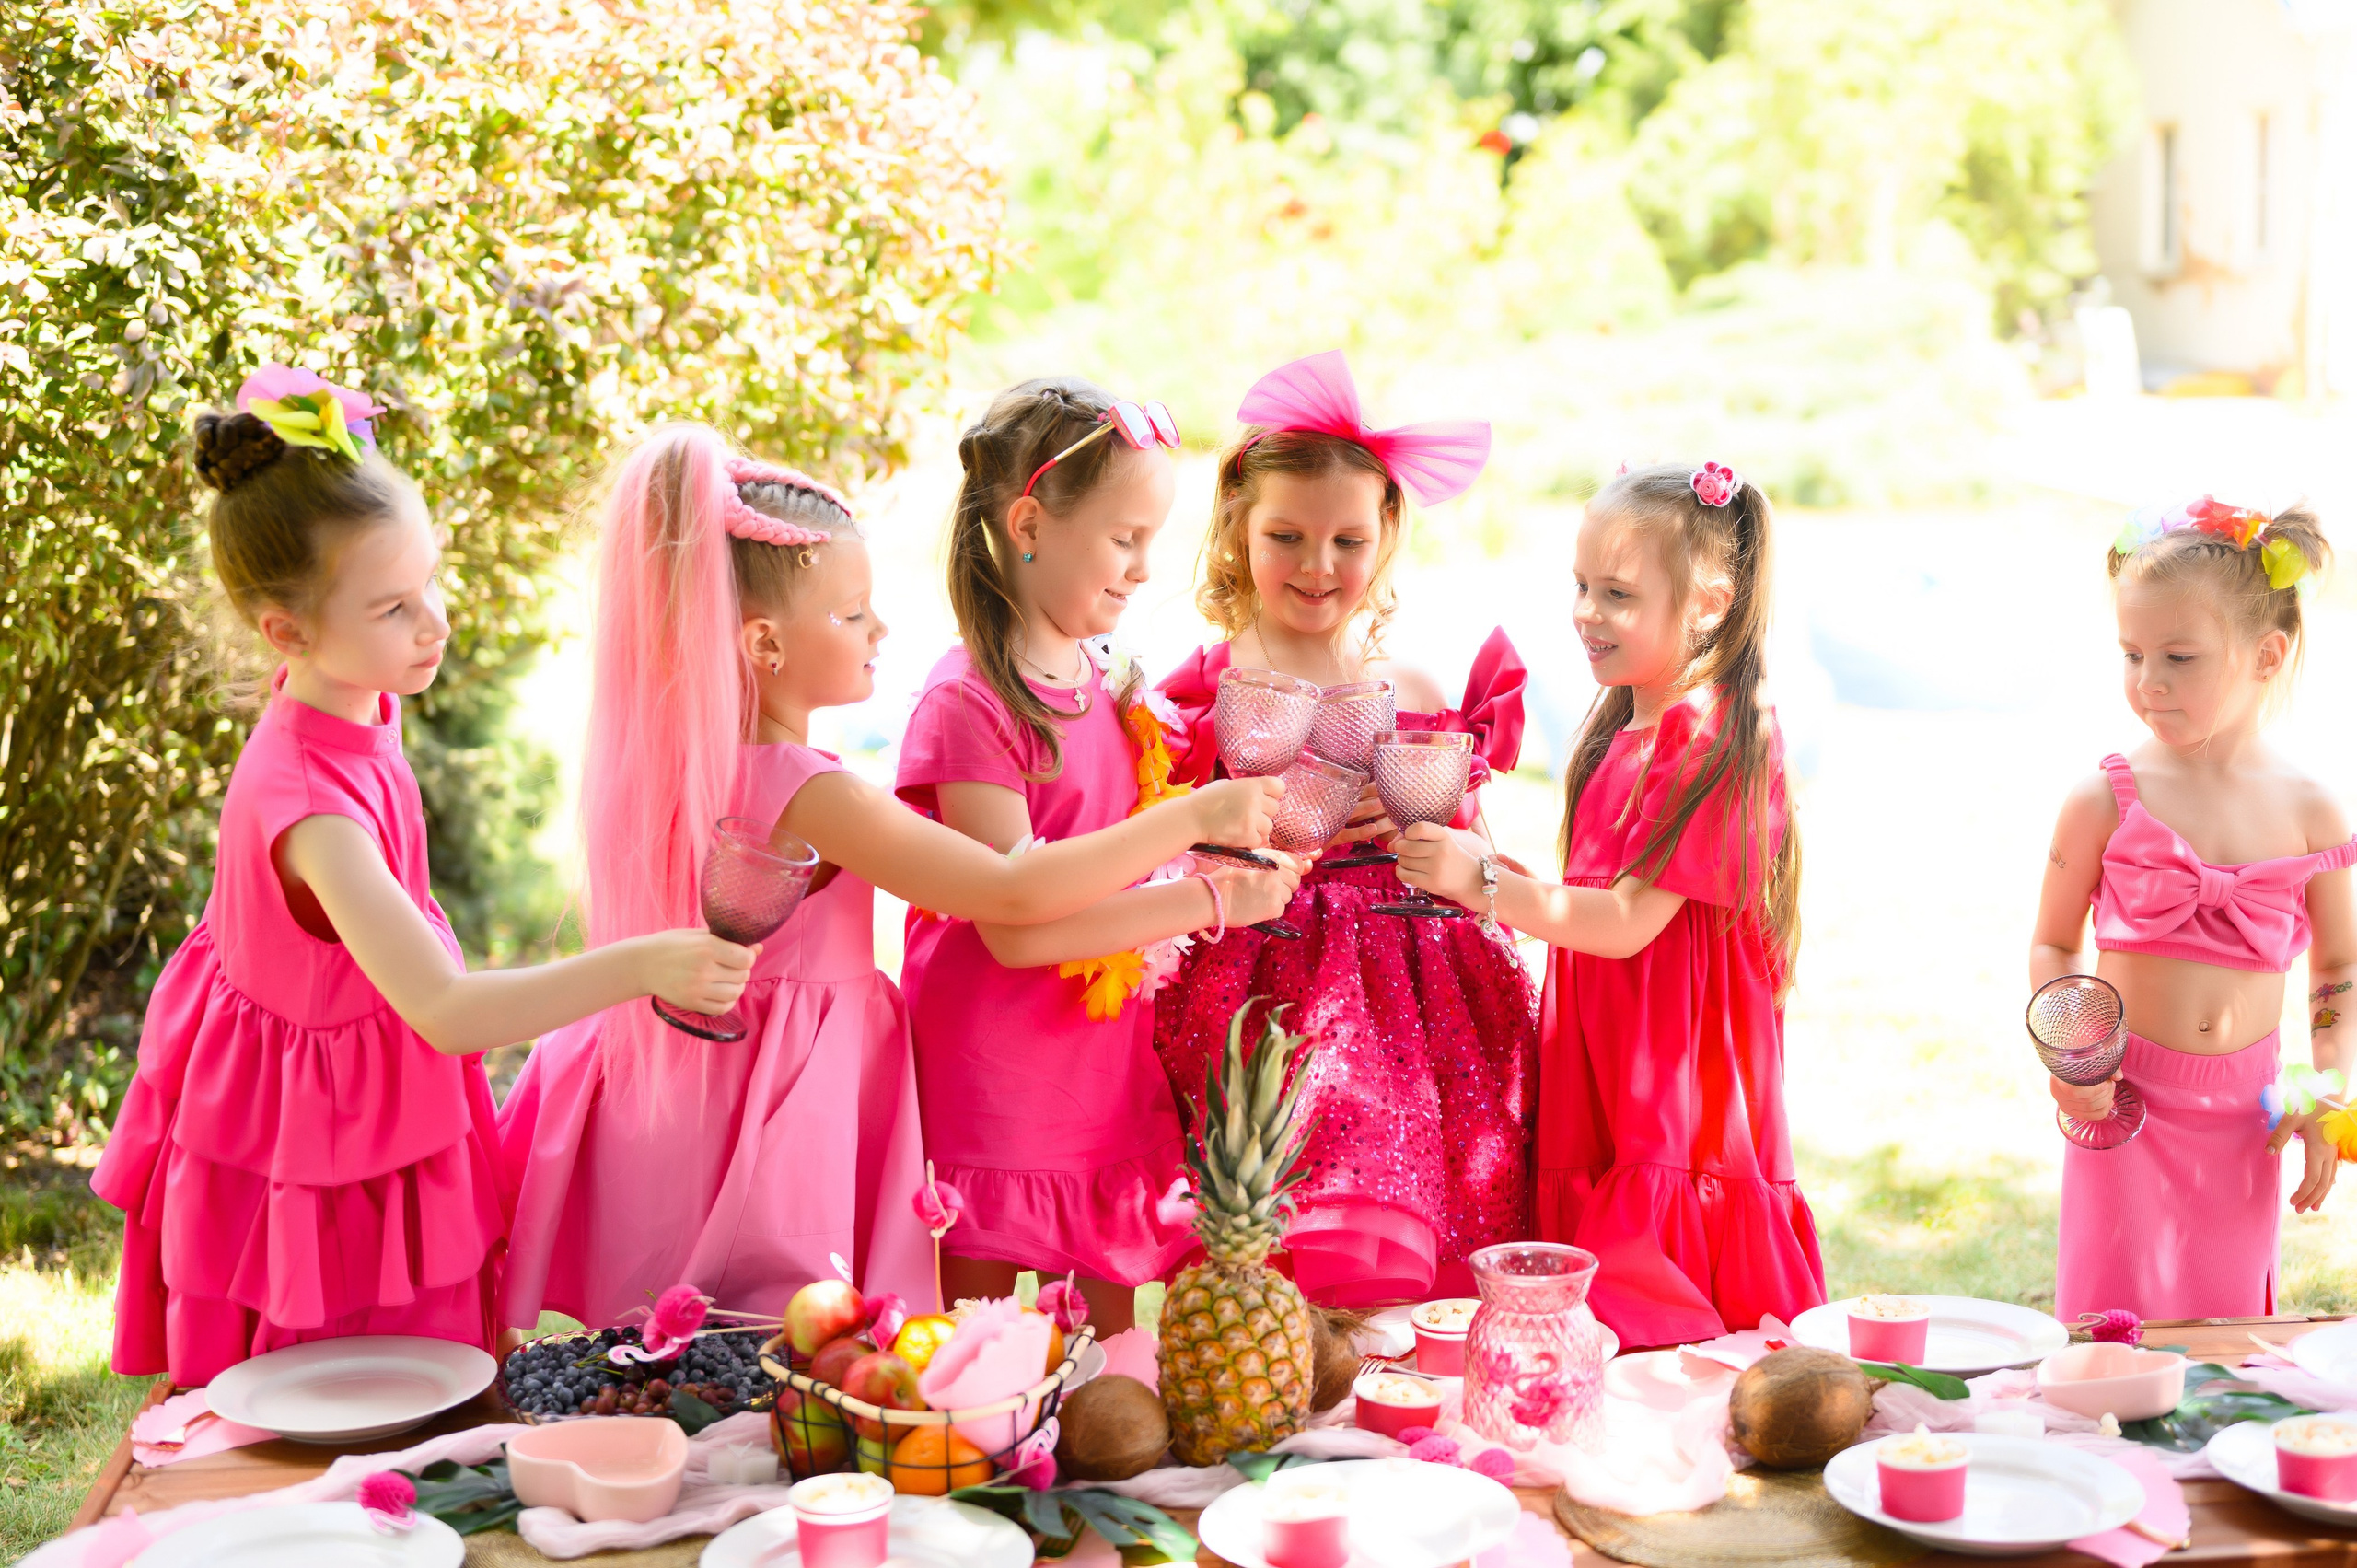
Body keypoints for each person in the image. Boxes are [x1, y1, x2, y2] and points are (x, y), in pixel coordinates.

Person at [498, 424, 1284, 1330]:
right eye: (849, 614)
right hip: (782, 1100)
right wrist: (1190, 828)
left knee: (696, 1337)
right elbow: (1009, 890)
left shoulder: (704, 760)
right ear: (763, 643)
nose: (881, 628)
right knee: (778, 1326)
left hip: (708, 1079)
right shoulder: (811, 789)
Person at [92, 370, 751, 1386]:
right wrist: (647, 962)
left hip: (367, 1076)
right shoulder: (311, 815)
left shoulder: (349, 698)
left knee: (422, 1371)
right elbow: (445, 1008)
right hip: (316, 1142)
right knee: (346, 1386)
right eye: (396, 605)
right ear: (287, 631)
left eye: (430, 581)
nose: (435, 621)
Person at [894, 378, 1304, 1331]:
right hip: (996, 1081)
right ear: (1029, 521)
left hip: (1099, 1066)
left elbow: (1131, 858)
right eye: (1124, 539)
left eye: (1151, 540)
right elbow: (1016, 927)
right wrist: (1203, 893)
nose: (1142, 567)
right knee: (978, 1358)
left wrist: (1229, 855)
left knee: (1112, 1369)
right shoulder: (969, 705)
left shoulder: (1105, 680)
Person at [1395, 460, 1822, 1348]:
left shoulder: (1713, 733)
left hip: (1669, 1062)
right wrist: (1470, 853)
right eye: (1581, 586)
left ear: (1708, 600)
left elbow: (1627, 924)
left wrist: (1482, 882)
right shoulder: (1622, 723)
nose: (1587, 611)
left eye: (1618, 593)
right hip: (1609, 1044)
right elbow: (1586, 893)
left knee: (1656, 1284)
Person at [1152, 350, 1537, 1306]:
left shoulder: (1412, 693)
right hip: (1261, 982)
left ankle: (1389, 1366)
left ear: (1387, 536)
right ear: (1236, 528)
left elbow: (1470, 853)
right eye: (1286, 535)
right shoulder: (1204, 688)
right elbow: (1149, 848)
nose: (1318, 566)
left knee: (1402, 1212)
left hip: (1409, 996)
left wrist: (1427, 816)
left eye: (1347, 541)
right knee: (1274, 1229)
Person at [2032, 498, 2350, 1320]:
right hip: (2127, 1103)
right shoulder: (2105, 798)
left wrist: (2324, 1094)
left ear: (2266, 655)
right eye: (2132, 654)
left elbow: (2341, 970)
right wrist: (2078, 1056)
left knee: (2224, 1330)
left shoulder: (2312, 811)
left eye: (2179, 656)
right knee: (2113, 1331)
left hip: (2248, 1118)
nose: (2148, 682)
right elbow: (2055, 943)